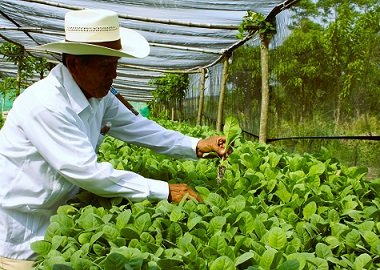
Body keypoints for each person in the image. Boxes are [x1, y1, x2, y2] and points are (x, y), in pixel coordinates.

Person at [0, 9, 227, 269]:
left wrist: (195, 145)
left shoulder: (98, 96)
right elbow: (88, 173)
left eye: (116, 65)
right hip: (19, 235)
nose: (114, 75)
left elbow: (138, 127)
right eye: (105, 67)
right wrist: (165, 190)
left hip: (57, 224)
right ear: (74, 63)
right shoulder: (46, 104)